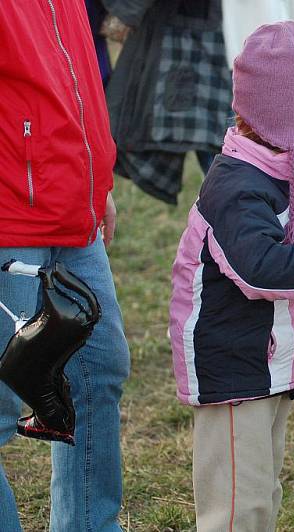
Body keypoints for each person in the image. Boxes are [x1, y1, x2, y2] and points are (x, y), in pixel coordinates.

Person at [169, 21, 294, 531]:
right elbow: (260, 268)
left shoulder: (278, 170)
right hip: (234, 368)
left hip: (262, 361)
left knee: (260, 490)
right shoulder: (240, 187)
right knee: (235, 506)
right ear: (286, 116)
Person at [0, 2, 131, 530]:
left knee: (97, 373)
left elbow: (74, 75)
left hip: (70, 209)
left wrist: (96, 181)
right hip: (10, 216)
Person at [102, 0, 232, 204]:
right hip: (198, 37)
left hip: (209, 42)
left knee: (227, 158)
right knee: (225, 156)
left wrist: (124, 12)